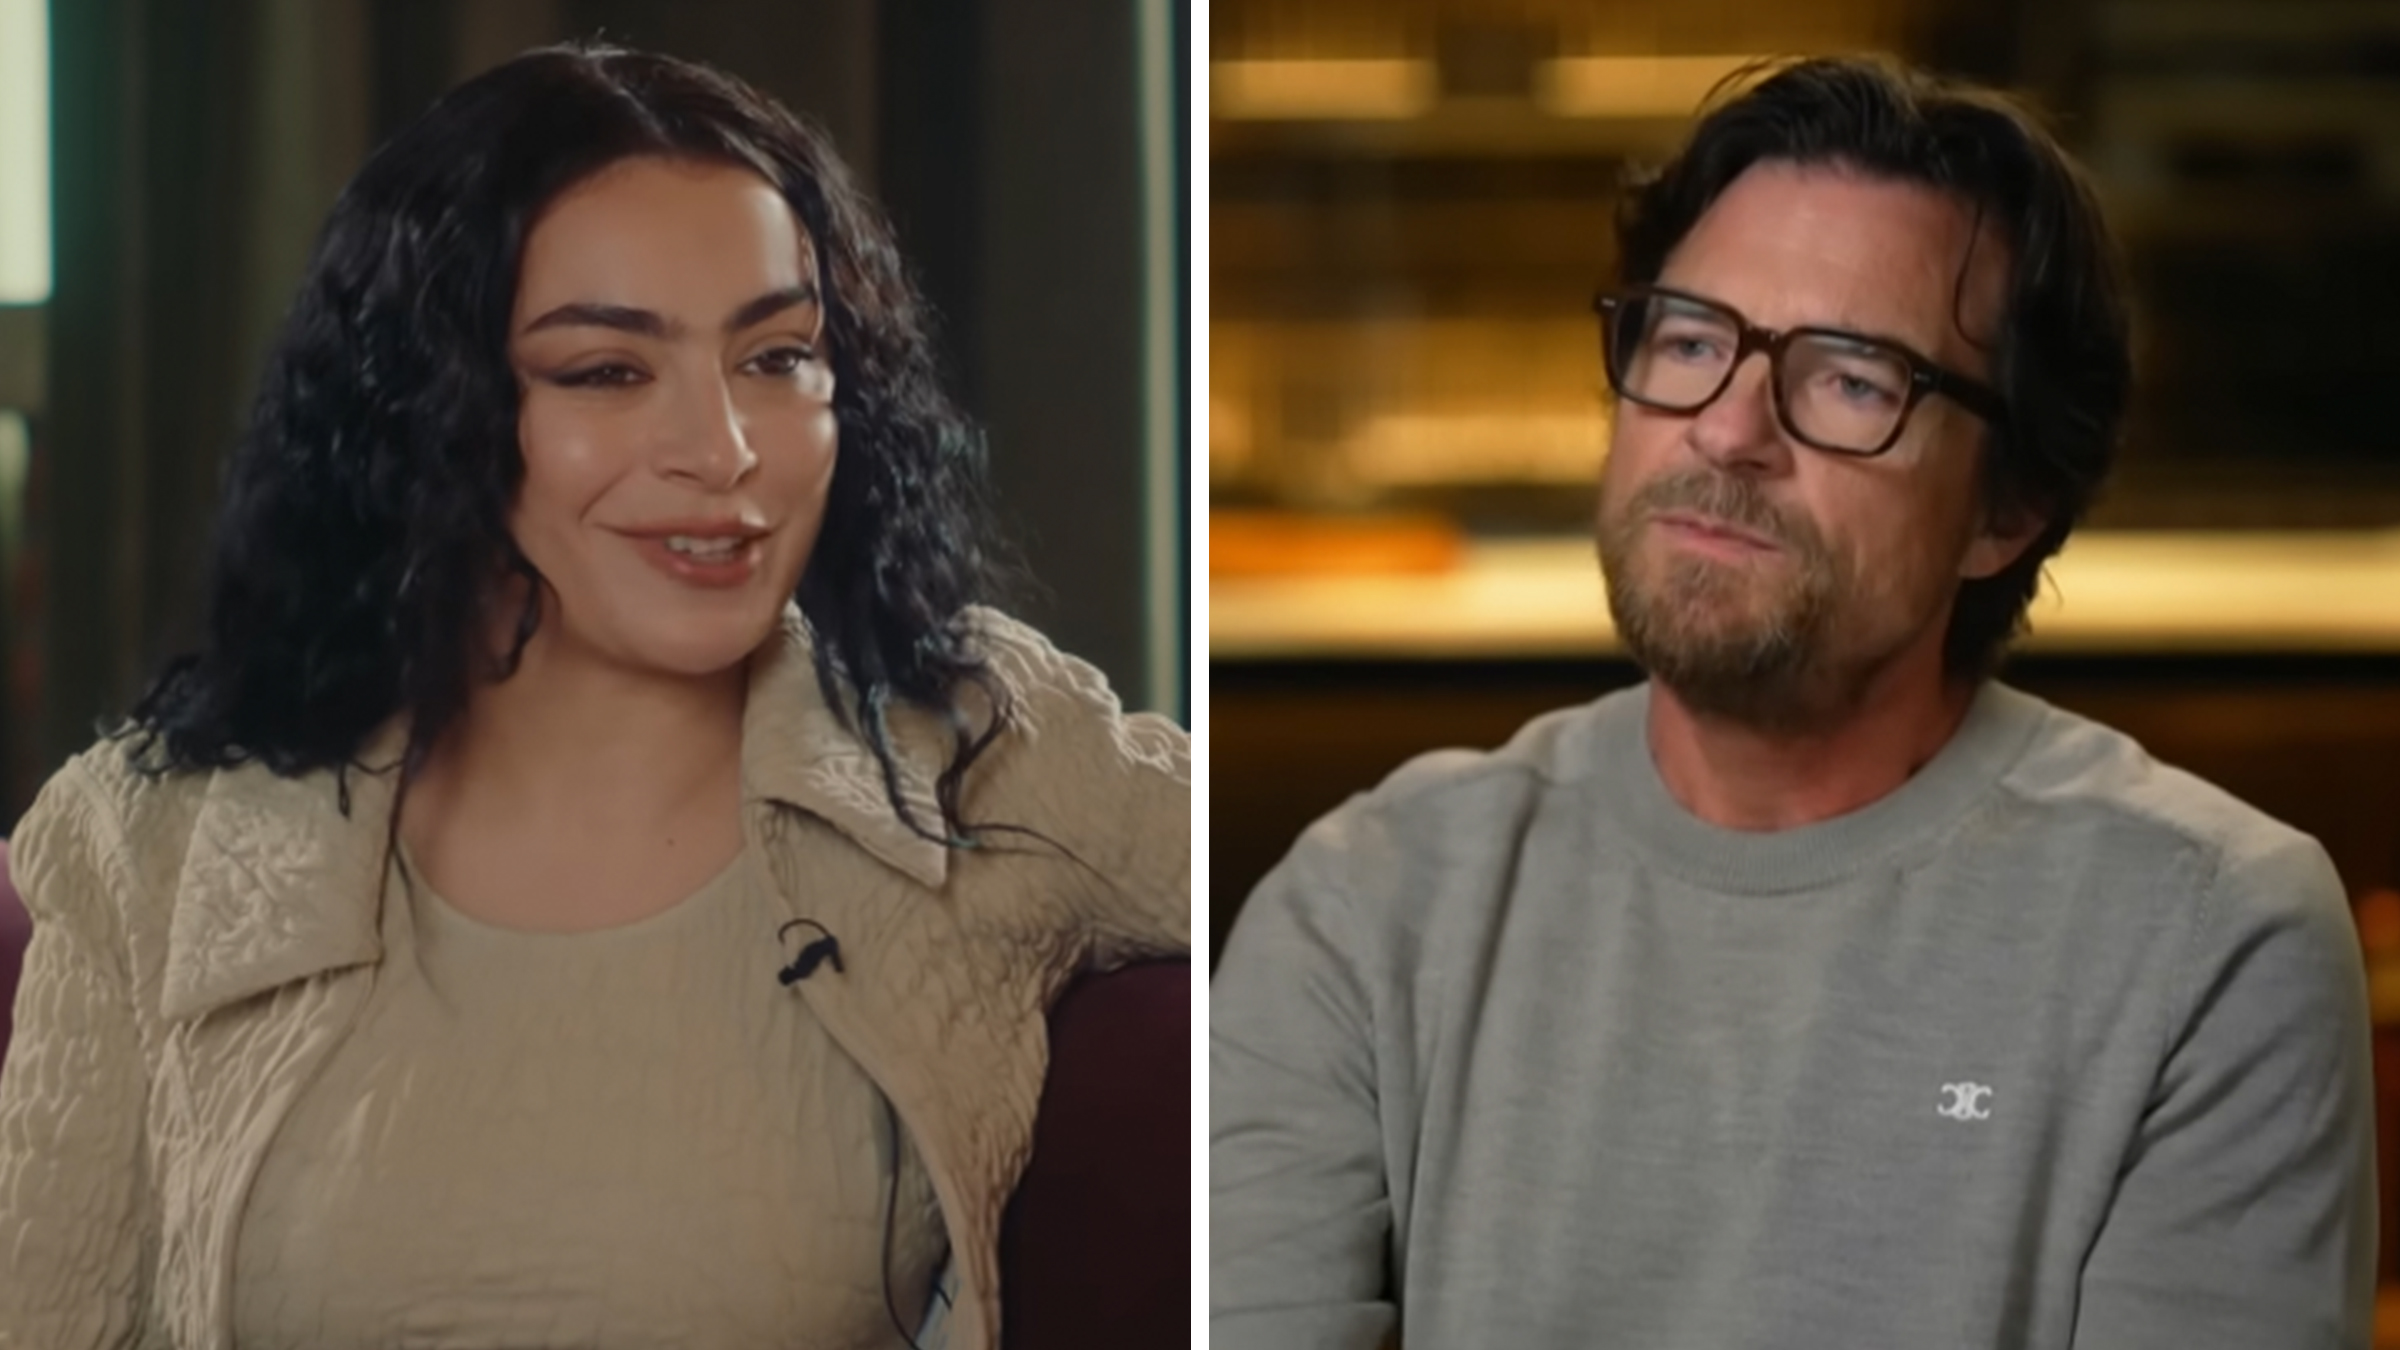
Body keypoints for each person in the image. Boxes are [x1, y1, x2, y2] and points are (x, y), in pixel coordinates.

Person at [0, 43, 1187, 1350]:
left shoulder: (967, 748)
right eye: (607, 371)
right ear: (432, 411)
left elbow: (1358, 918)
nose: (723, 452)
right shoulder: (145, 845)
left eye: (778, 356)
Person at [1211, 54, 2372, 1350]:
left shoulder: (2210, 936)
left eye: (1853, 379)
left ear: (2008, 511)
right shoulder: (1366, 908)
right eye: (1693, 339)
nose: (1728, 429)